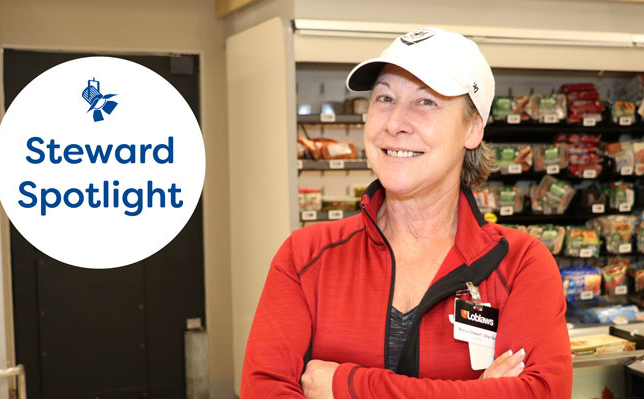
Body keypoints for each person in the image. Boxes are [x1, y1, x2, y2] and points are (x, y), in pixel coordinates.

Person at [241, 27, 572, 398]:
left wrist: (345, 385)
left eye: (425, 102)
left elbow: (540, 392)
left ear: (473, 127)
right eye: (384, 98)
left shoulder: (521, 265)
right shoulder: (305, 258)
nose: (395, 122)